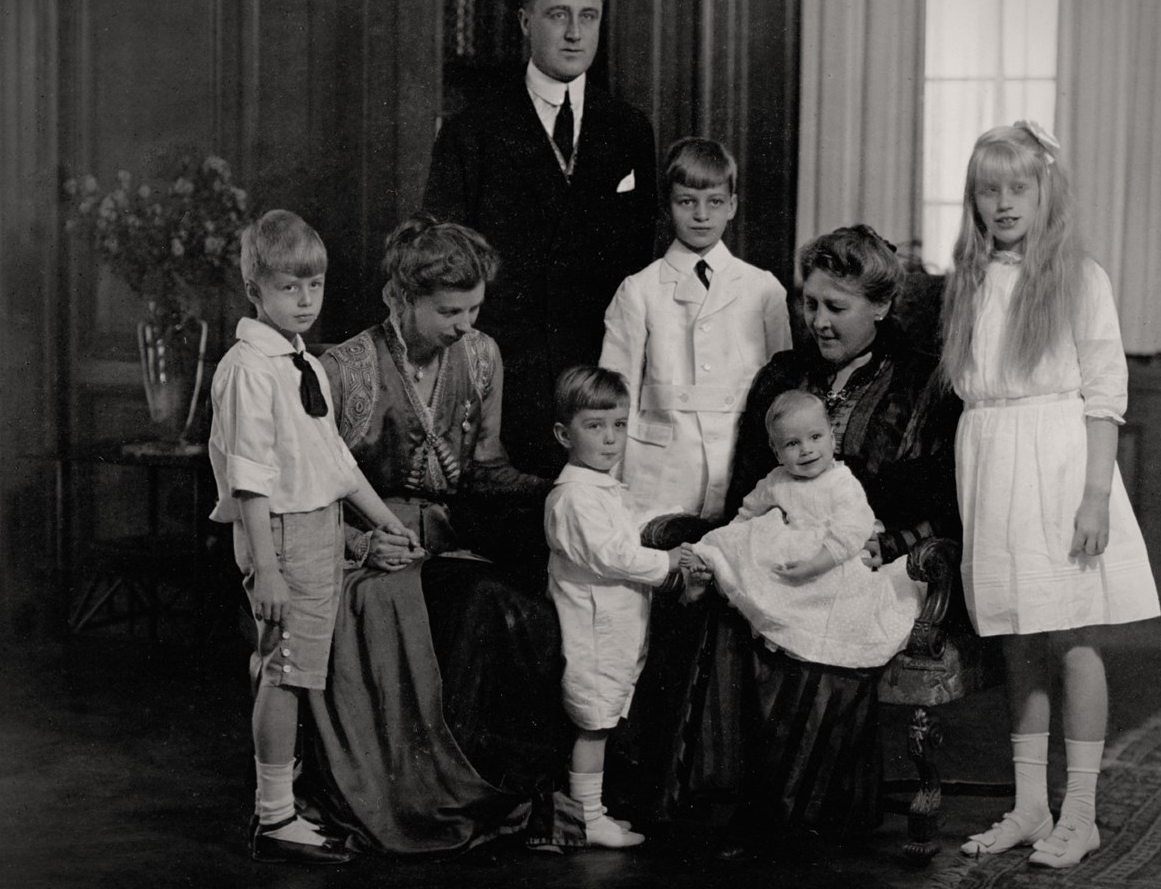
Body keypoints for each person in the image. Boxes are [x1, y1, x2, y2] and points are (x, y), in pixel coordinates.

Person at [671, 223, 961, 853]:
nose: (819, 321)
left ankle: (811, 813)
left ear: (881, 306)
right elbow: (749, 485)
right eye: (809, 304)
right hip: (785, 544)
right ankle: (738, 805)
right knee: (737, 606)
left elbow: (947, 505)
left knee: (825, 622)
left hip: (880, 557)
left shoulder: (924, 383)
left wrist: (888, 545)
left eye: (837, 306)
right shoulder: (782, 376)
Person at [301, 214, 584, 855]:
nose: (465, 326)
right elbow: (309, 500)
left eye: (474, 308)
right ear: (399, 299)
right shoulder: (342, 368)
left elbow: (487, 468)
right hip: (368, 561)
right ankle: (445, 797)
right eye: (449, 311)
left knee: (534, 617)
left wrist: (567, 488)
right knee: (489, 604)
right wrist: (360, 545)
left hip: (451, 546)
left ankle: (506, 793)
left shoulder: (481, 356)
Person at [941, 122, 1160, 868]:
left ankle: (1081, 811)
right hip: (991, 460)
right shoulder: (967, 279)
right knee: (1018, 639)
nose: (1002, 203)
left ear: (1044, 193)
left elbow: (1104, 394)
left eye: (1017, 188)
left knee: (1071, 637)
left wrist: (1096, 495)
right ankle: (1031, 805)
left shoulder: (1079, 277)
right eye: (987, 189)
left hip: (1060, 463)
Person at [207, 209, 422, 865]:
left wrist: (387, 520)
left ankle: (285, 797)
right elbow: (249, 478)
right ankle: (274, 813)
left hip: (317, 527)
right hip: (279, 534)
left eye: (315, 285)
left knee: (290, 668)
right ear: (255, 290)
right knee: (285, 671)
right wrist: (267, 568)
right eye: (288, 287)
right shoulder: (250, 368)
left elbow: (333, 459)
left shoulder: (303, 360)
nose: (304, 300)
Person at [423, 0, 658, 475]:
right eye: (558, 15)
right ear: (526, 21)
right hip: (506, 383)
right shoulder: (472, 131)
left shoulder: (630, 129)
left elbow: (643, 259)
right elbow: (443, 264)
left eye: (589, 16)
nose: (575, 33)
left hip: (602, 378)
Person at [600, 137, 791, 521]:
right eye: (687, 201)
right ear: (667, 206)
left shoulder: (764, 289)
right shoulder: (639, 290)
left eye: (715, 202)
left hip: (740, 468)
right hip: (659, 473)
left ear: (732, 206)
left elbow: (782, 393)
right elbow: (614, 395)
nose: (701, 215)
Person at [544, 365, 695, 848]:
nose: (611, 440)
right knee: (594, 726)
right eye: (595, 426)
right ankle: (586, 818)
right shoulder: (572, 499)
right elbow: (612, 556)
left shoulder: (602, 489)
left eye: (619, 425)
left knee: (605, 722)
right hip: (592, 632)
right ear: (564, 435)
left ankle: (594, 811)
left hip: (616, 627)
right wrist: (666, 561)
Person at [680, 389, 922, 668]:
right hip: (791, 556)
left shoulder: (841, 482)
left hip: (832, 561)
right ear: (777, 452)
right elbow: (747, 513)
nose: (806, 449)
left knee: (824, 604)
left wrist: (816, 565)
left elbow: (851, 530)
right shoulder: (776, 481)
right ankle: (709, 566)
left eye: (815, 437)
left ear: (832, 437)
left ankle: (804, 637)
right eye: (792, 443)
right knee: (749, 535)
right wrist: (728, 545)